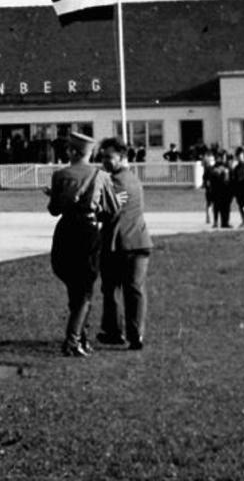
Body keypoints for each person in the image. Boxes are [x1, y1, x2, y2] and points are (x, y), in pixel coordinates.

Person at [46, 131, 111, 357]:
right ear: (89, 153)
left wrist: (56, 197)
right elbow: (111, 208)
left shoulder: (60, 175)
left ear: (72, 152)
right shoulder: (101, 176)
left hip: (66, 231)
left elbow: (54, 210)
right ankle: (73, 340)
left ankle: (81, 337)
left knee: (75, 288)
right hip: (88, 232)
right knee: (85, 289)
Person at [95, 139, 153, 351]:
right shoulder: (133, 179)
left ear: (122, 158)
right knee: (134, 289)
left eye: (108, 157)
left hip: (119, 243)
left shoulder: (116, 182)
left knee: (113, 290)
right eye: (102, 157)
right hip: (138, 241)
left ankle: (115, 332)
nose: (104, 161)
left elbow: (107, 211)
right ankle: (135, 335)